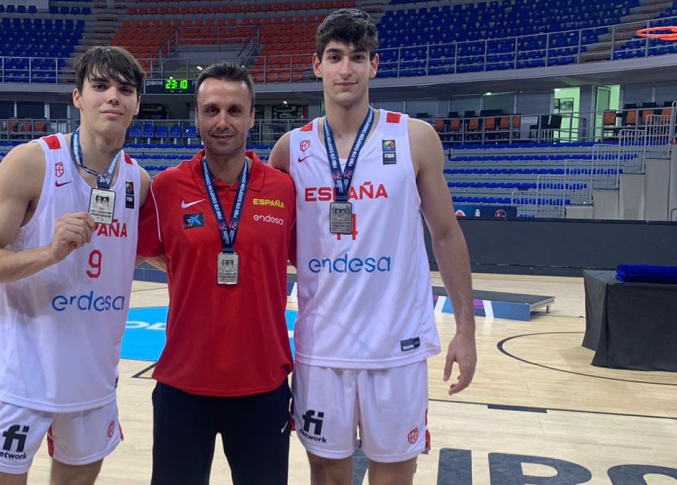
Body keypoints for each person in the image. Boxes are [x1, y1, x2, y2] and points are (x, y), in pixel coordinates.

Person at [268, 9, 477, 485]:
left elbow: (445, 234)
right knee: (327, 476)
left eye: (357, 58)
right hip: (321, 349)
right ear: (316, 65)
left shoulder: (414, 138)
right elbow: (270, 245)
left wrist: (464, 329)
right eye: (336, 57)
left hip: (396, 348)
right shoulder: (290, 150)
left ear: (374, 66)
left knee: (394, 476)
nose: (347, 69)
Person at [0, 45, 150, 485]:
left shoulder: (138, 182)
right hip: (20, 382)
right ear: (78, 97)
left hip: (92, 386)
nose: (112, 98)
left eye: (124, 89)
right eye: (100, 86)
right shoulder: (32, 163)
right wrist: (48, 252)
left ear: (137, 103)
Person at [137, 62, 296, 485]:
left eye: (233, 110)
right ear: (196, 117)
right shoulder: (167, 188)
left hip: (263, 387)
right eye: (211, 110)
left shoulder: (283, 189)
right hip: (182, 387)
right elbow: (137, 252)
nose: (222, 121)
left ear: (250, 117)